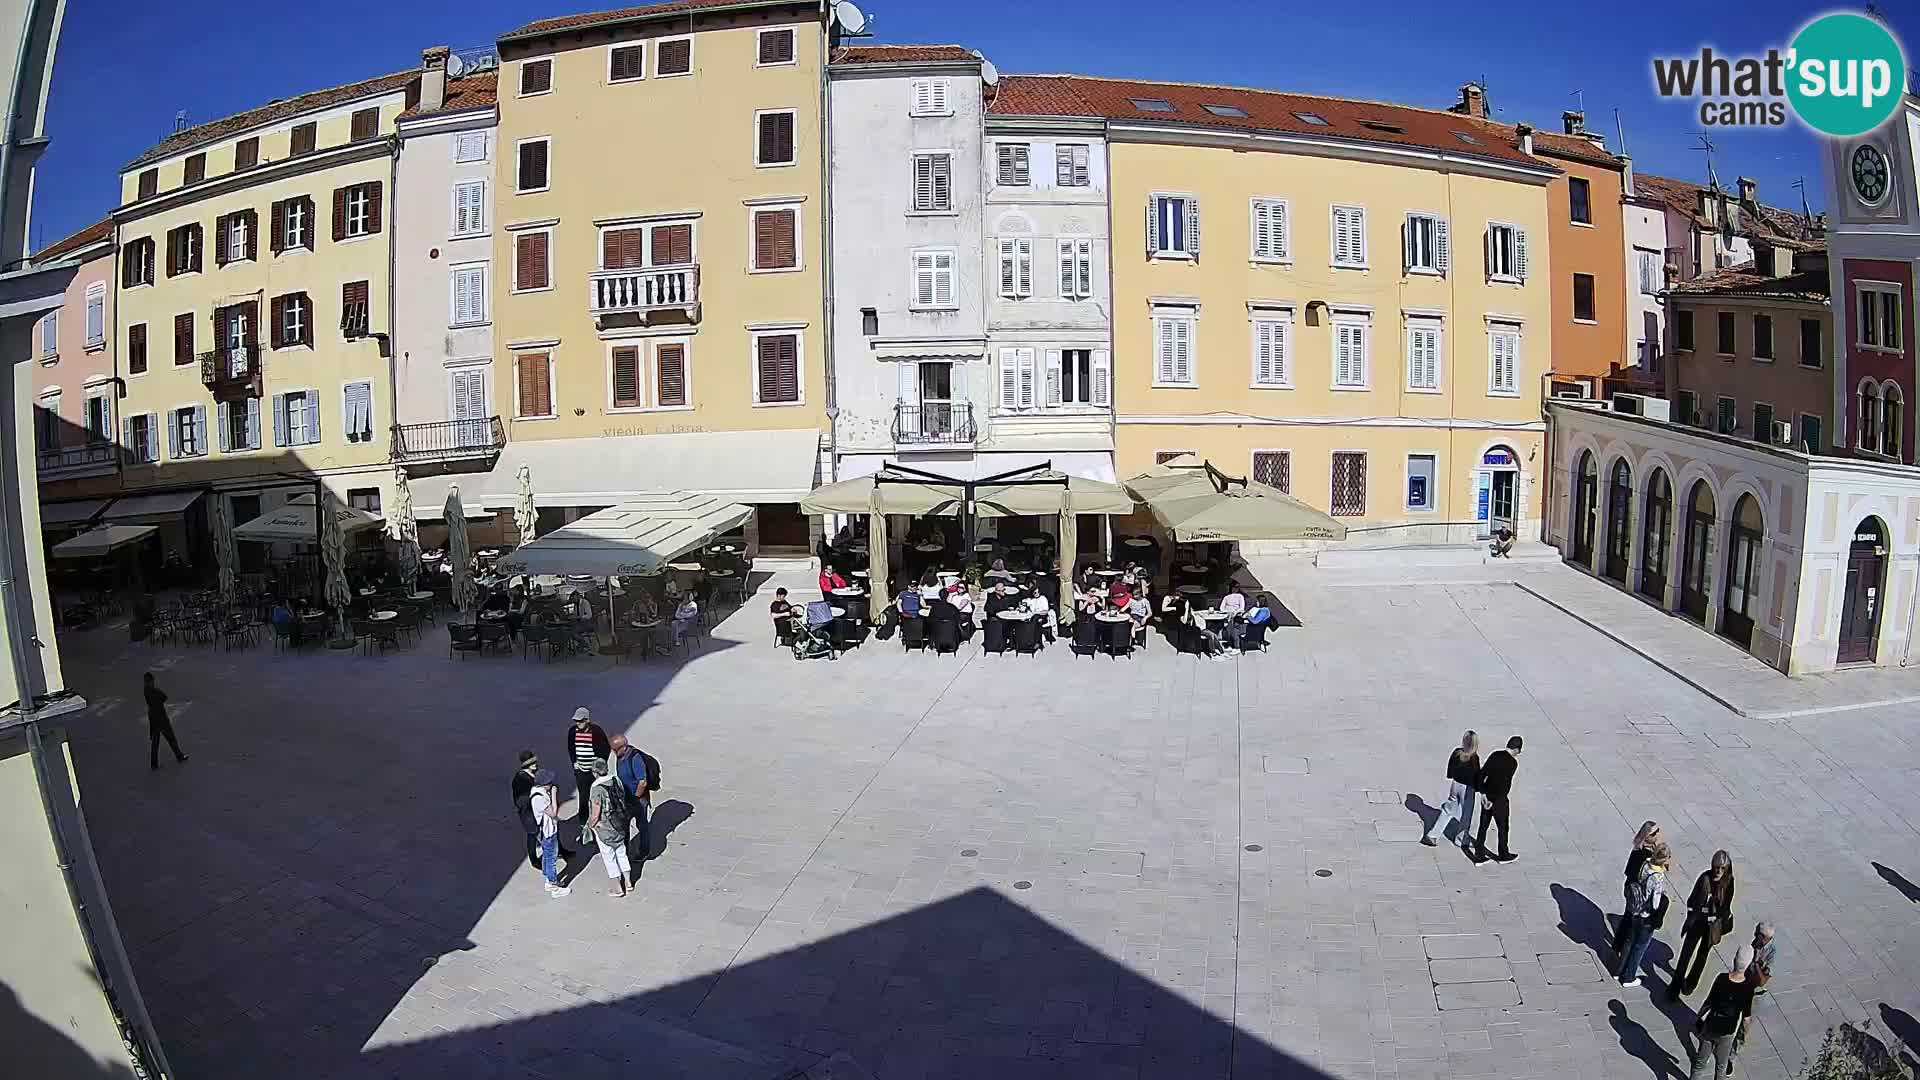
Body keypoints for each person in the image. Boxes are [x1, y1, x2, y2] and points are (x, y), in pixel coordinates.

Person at [1672, 849, 1737, 997]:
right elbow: (1691, 900)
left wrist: (1716, 916)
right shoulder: (1705, 878)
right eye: (1716, 867)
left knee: (1702, 955)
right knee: (1685, 955)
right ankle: (1675, 987)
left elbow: (1726, 905)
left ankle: (1690, 984)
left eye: (1722, 868)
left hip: (1712, 926)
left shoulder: (1729, 881)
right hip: (1697, 922)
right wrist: (1695, 913)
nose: (1719, 871)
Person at [1690, 945, 1757, 1080]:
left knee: (1700, 1064)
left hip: (1710, 1027)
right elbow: (1746, 1018)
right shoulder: (1748, 988)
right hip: (1727, 1032)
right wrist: (1744, 1036)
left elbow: (1708, 1002)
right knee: (1721, 1067)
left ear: (1735, 959)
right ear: (1748, 964)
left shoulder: (1721, 979)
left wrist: (1698, 1018)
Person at [1616, 841, 1671, 986]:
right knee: (1639, 947)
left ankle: (1618, 971)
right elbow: (1655, 904)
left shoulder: (1646, 864)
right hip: (1645, 916)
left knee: (1628, 942)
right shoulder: (1657, 877)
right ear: (1664, 860)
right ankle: (1628, 977)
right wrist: (1662, 895)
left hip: (1635, 909)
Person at [1728, 922, 1778, 1075]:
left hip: (1756, 994)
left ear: (1766, 938)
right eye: (1756, 933)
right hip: (1742, 986)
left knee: (1744, 1026)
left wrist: (1755, 964)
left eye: (1758, 935)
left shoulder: (1772, 953)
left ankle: (1731, 1057)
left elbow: (1762, 981)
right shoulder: (1753, 944)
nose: (1755, 936)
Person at [513, 750, 573, 872]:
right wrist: (537, 799)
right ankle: (534, 859)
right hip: (529, 813)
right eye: (531, 763)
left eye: (535, 762)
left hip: (542, 809)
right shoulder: (520, 779)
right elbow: (520, 800)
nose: (535, 765)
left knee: (552, 830)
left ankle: (561, 851)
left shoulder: (535, 773)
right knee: (533, 835)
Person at [1421, 731, 1480, 849]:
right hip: (1467, 789)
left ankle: (1433, 835)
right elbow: (1476, 776)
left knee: (1448, 810)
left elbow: (1450, 769)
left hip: (1455, 785)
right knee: (1466, 815)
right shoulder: (1474, 758)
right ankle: (1461, 839)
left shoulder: (1457, 753)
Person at [1613, 822, 1666, 952]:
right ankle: (1622, 947)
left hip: (1631, 889)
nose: (1657, 835)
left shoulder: (1638, 849)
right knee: (1631, 922)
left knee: (1627, 917)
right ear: (1646, 836)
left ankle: (1617, 945)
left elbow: (1628, 871)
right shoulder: (1645, 855)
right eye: (1654, 833)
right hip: (1637, 893)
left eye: (1657, 831)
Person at [585, 758, 634, 897]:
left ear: (594, 772)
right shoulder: (615, 779)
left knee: (609, 857)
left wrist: (590, 826)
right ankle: (628, 882)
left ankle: (617, 888)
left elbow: (595, 813)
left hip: (605, 827)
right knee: (622, 853)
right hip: (620, 823)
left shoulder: (596, 788)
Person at [1473, 736, 1523, 863]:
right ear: (1517, 750)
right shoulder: (1513, 764)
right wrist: (1494, 801)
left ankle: (1478, 854)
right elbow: (1503, 786)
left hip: (1487, 797)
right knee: (1503, 828)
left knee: (1483, 827)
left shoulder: (1495, 755)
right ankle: (1503, 855)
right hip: (1499, 801)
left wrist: (1483, 794)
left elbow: (1482, 774)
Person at [566, 707, 611, 840]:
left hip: (594, 772)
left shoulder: (596, 731)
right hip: (581, 771)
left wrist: (599, 766)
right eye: (576, 721)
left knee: (597, 796)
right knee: (584, 796)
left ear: (587, 720)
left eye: (580, 721)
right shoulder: (572, 732)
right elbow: (571, 748)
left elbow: (605, 749)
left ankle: (599, 820)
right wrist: (575, 763)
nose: (578, 723)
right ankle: (583, 822)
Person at [610, 733, 652, 863]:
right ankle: (625, 853)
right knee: (624, 826)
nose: (613, 752)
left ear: (624, 747)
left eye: (615, 749)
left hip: (638, 800)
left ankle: (644, 851)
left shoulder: (635, 759)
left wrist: (635, 798)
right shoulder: (620, 756)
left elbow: (642, 782)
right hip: (626, 798)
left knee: (642, 826)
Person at [528, 769, 569, 897]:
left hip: (546, 831)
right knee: (551, 857)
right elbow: (553, 813)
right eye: (550, 783)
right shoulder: (540, 798)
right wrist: (554, 795)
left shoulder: (537, 792)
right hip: (547, 832)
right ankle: (553, 885)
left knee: (547, 855)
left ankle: (549, 878)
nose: (552, 784)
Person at [142, 672, 188, 771]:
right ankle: (179, 756)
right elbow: (164, 696)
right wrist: (157, 690)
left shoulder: (146, 691)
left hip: (153, 719)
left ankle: (154, 764)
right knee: (171, 738)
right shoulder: (153, 691)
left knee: (155, 742)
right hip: (161, 719)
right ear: (150, 681)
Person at [1219, 584, 1249, 651]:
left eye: (1237, 587)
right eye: (1234, 587)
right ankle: (1228, 643)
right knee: (1227, 625)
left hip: (1236, 615)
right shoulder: (1226, 597)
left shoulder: (1240, 596)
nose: (1236, 589)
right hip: (1228, 615)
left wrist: (1235, 612)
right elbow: (1221, 608)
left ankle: (1233, 645)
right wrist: (1228, 611)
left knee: (1232, 626)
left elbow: (1242, 608)